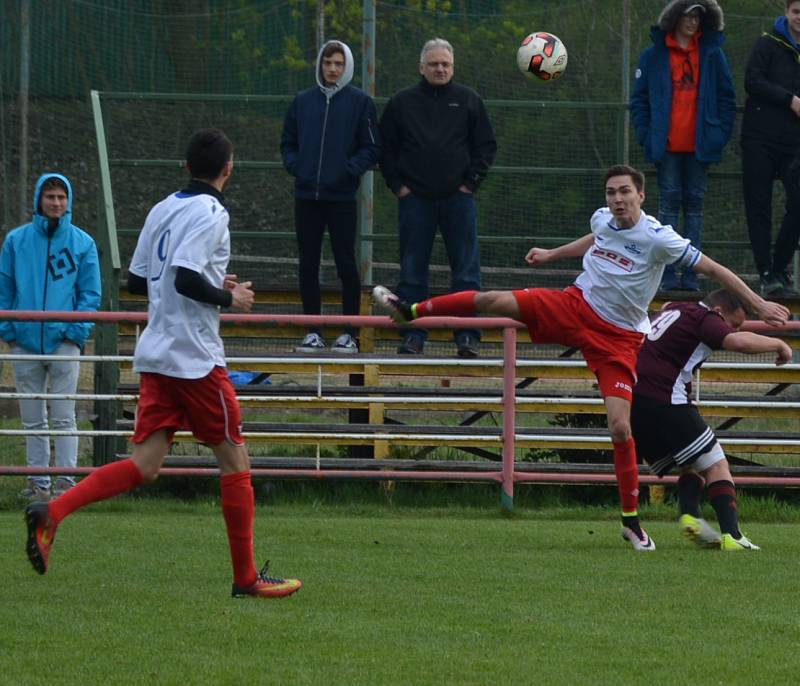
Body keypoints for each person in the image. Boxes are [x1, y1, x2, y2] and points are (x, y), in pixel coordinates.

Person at [373, 164, 789, 551]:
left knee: (621, 427)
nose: (617, 199)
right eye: (611, 193)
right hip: (574, 305)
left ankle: (631, 521)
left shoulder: (660, 238)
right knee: (491, 299)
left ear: (642, 196)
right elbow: (596, 238)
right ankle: (409, 311)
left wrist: (759, 306)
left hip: (619, 339)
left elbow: (716, 270)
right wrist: (552, 255)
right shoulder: (602, 218)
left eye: (625, 191)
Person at [24, 129, 302, 599]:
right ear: (228, 169)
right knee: (235, 457)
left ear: (185, 167)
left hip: (156, 354)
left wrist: (212, 280)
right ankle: (245, 579)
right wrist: (228, 295)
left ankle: (54, 512)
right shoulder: (212, 211)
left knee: (145, 465)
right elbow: (185, 278)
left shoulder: (162, 207)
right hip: (194, 358)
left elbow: (137, 280)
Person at [632, 289, 792, 551]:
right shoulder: (705, 317)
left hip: (634, 401)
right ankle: (733, 536)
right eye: (734, 324)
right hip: (665, 397)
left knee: (693, 463)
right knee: (717, 465)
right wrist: (778, 344)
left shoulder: (675, 307)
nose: (733, 329)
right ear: (718, 312)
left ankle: (691, 517)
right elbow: (737, 343)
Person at [379, 37, 497, 357]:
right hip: (415, 200)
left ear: (453, 67)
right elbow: (385, 148)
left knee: (466, 272)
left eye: (445, 64)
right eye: (434, 64)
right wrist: (398, 186)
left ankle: (468, 336)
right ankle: (413, 334)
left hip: (458, 200)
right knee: (412, 270)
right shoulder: (402, 102)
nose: (440, 69)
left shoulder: (469, 100)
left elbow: (485, 147)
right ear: (421, 67)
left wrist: (469, 184)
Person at [0, 173, 101, 501]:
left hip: (64, 343)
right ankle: (37, 483)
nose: (56, 203)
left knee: (63, 416)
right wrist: (9, 333)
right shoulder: (16, 241)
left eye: (61, 197)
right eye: (50, 197)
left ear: (68, 200)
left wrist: (75, 335)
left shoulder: (83, 243)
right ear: (38, 201)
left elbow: (90, 294)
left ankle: (66, 485)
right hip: (24, 343)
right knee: (32, 418)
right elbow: (4, 289)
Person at [281, 39, 380, 354]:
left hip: (341, 198)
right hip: (307, 196)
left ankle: (348, 332)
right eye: (327, 63)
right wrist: (298, 167)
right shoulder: (302, 101)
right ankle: (313, 330)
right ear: (320, 66)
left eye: (338, 63)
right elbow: (288, 142)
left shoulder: (361, 103)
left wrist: (348, 171)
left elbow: (371, 147)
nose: (333, 69)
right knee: (307, 263)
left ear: (347, 66)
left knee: (345, 263)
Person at [631, 0, 736, 293]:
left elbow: (727, 99)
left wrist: (718, 135)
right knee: (668, 206)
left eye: (697, 17)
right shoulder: (653, 56)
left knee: (695, 209)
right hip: (666, 147)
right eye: (687, 16)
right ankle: (664, 276)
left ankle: (691, 275)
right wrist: (646, 134)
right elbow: (639, 101)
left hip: (700, 147)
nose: (692, 22)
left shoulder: (713, 55)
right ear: (675, 18)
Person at [741, 0, 800, 297]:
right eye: (796, 11)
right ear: (787, 13)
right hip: (759, 138)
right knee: (759, 207)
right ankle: (766, 274)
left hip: (795, 143)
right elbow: (752, 80)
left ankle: (780, 266)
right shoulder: (768, 43)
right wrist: (790, 99)